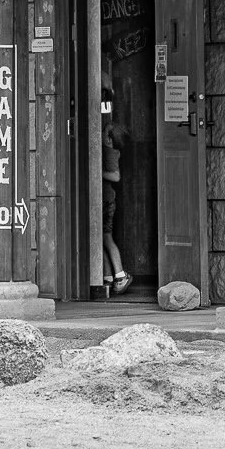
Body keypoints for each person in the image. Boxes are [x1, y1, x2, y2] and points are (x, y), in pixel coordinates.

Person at [100, 85, 130, 294]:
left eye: (104, 133)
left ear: (110, 139)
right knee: (102, 238)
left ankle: (119, 275)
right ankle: (109, 276)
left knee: (106, 238)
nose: (101, 134)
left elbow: (116, 176)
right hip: (107, 200)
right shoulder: (111, 150)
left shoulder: (110, 153)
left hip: (106, 199)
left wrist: (97, 175)